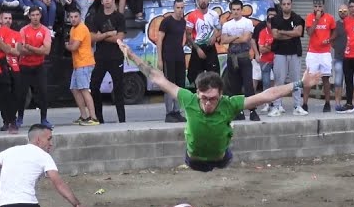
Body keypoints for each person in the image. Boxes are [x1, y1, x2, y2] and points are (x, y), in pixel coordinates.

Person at [119, 39, 319, 171]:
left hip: (220, 159)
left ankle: (226, 131)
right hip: (194, 160)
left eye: (213, 98)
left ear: (221, 94)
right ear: (197, 93)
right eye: (204, 98)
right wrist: (131, 55)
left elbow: (268, 95)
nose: (208, 103)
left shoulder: (229, 103)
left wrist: (300, 84)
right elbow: (157, 78)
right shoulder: (189, 99)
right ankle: (224, 129)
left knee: (227, 131)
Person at [88, 0, 127, 124]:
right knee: (94, 86)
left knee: (119, 89)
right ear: (102, 2)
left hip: (116, 57)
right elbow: (92, 38)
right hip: (100, 57)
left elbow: (119, 38)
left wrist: (102, 36)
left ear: (113, 0)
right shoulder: (96, 18)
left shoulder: (119, 17)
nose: (107, 0)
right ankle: (99, 118)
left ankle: (122, 120)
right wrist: (109, 33)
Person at [268, 0, 305, 116]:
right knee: (279, 80)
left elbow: (298, 32)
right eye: (284, 4)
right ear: (281, 5)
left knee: (296, 81)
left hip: (294, 52)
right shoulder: (275, 19)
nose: (286, 6)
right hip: (280, 53)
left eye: (288, 4)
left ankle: (297, 106)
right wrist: (291, 33)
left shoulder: (297, 18)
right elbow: (275, 35)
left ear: (291, 4)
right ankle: (277, 106)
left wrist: (282, 32)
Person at [156, 0, 190, 123]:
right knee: (169, 85)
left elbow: (182, 37)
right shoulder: (166, 22)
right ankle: (168, 112)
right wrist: (160, 59)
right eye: (178, 7)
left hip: (179, 56)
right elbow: (159, 40)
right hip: (168, 57)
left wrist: (182, 46)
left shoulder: (182, 22)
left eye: (182, 8)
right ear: (173, 8)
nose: (180, 10)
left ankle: (177, 111)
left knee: (180, 85)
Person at [64, 8, 99, 126]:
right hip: (78, 63)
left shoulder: (81, 28)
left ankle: (93, 117)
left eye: (75, 16)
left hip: (84, 63)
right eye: (71, 17)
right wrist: (70, 45)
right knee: (74, 89)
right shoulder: (74, 29)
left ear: (80, 17)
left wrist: (66, 45)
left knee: (84, 90)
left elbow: (73, 47)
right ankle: (84, 116)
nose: (73, 19)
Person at [18, 6, 52, 127]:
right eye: (33, 15)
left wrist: (30, 48)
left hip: (39, 66)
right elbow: (20, 50)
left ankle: (44, 119)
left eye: (37, 15)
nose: (35, 17)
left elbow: (47, 51)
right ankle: (19, 118)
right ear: (29, 16)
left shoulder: (45, 31)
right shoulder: (23, 30)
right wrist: (38, 50)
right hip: (25, 66)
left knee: (43, 92)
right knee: (22, 94)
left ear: (40, 16)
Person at [303, 0, 336, 113]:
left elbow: (334, 31)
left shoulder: (330, 18)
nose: (318, 9)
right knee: (309, 78)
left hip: (325, 52)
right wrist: (316, 20)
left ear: (323, 7)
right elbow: (309, 33)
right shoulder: (309, 17)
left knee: (325, 78)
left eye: (320, 6)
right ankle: (305, 104)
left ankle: (327, 103)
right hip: (312, 52)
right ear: (313, 7)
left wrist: (330, 39)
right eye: (316, 6)